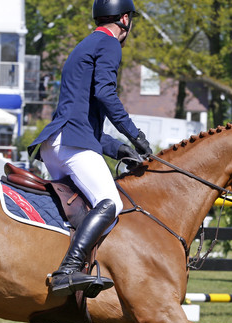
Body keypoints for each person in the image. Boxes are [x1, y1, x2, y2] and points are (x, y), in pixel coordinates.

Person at [28, 0, 152, 298]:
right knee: (111, 202)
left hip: (55, 142)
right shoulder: (110, 44)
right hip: (71, 143)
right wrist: (135, 135)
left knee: (83, 208)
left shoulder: (85, 44)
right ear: (124, 19)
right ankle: (68, 270)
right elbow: (106, 94)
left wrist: (117, 148)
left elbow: (81, 113)